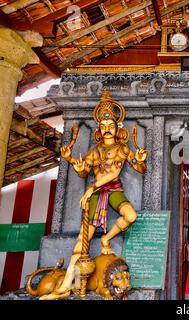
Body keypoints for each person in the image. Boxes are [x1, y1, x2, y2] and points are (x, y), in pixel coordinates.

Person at [40, 88, 148, 300]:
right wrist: (71, 160)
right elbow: (82, 172)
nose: (107, 129)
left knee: (131, 216)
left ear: (117, 128)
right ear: (99, 128)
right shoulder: (95, 151)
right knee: (82, 242)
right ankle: (67, 284)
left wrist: (141, 160)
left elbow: (134, 169)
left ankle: (107, 240)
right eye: (104, 126)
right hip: (98, 195)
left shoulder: (123, 148)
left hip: (114, 190)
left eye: (111, 126)